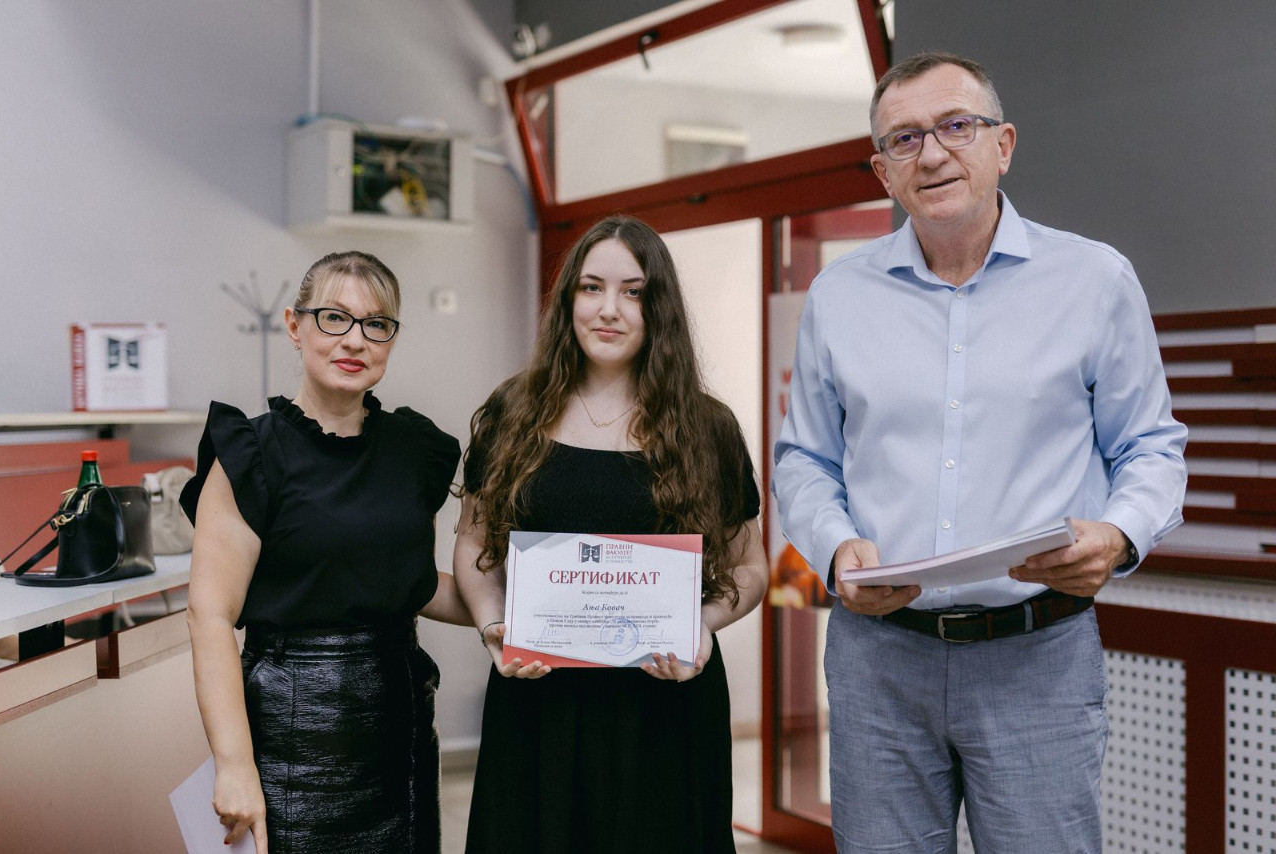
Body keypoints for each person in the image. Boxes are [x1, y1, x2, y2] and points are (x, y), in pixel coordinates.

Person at [772, 52, 1188, 853]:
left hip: (1039, 656)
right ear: (883, 172)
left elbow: (1151, 447)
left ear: (1003, 145)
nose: (931, 154)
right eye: (904, 139)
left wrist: (1118, 535)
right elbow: (804, 461)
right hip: (878, 664)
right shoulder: (839, 296)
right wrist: (833, 548)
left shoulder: (1095, 280)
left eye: (955, 126)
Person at [455, 215, 768, 853]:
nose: (609, 309)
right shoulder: (512, 413)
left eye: (633, 292)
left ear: (660, 309)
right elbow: (473, 543)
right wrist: (493, 625)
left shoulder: (707, 427)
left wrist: (702, 625)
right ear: (568, 299)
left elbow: (750, 566)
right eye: (591, 287)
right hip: (538, 701)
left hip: (665, 705)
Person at [180, 251, 468, 853]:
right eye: (334, 318)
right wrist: (234, 765)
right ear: (295, 326)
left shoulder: (414, 449)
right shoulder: (252, 454)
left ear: (392, 339)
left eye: (376, 324)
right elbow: (209, 616)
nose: (355, 340)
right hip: (291, 733)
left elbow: (412, 586)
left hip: (400, 725)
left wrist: (531, 611)